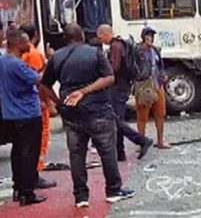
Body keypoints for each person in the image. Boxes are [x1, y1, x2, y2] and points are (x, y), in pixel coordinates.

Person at [40, 23, 135, 208]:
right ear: (82, 35)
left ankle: (81, 196)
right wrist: (84, 91)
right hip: (98, 109)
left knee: (76, 154)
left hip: (71, 113)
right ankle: (113, 190)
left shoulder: (56, 57)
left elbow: (44, 85)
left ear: (66, 38)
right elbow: (109, 77)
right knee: (107, 151)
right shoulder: (95, 53)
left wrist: (59, 102)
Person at [0, 30, 59, 206]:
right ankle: (28, 191)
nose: (30, 46)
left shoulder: (3, 61)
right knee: (29, 153)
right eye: (26, 42)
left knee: (17, 151)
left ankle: (18, 188)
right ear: (18, 44)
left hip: (10, 113)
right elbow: (40, 79)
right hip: (27, 113)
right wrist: (50, 61)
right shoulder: (17, 65)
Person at [96, 24, 153, 161]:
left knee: (116, 121)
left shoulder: (115, 46)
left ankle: (141, 140)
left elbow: (114, 67)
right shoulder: (120, 44)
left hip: (118, 88)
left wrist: (102, 68)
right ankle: (120, 153)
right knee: (117, 120)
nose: (100, 41)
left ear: (105, 34)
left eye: (100, 37)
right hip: (123, 86)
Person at [19, 24, 57, 190]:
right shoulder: (34, 54)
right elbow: (40, 82)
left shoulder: (16, 55)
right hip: (35, 103)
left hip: (22, 105)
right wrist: (49, 103)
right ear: (35, 36)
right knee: (39, 139)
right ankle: (35, 174)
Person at [135, 26, 170, 149]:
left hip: (157, 84)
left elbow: (160, 65)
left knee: (160, 113)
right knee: (142, 116)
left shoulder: (155, 50)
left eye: (152, 36)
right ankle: (141, 142)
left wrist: (163, 74)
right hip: (144, 86)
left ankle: (160, 140)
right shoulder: (137, 51)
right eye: (148, 35)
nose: (151, 38)